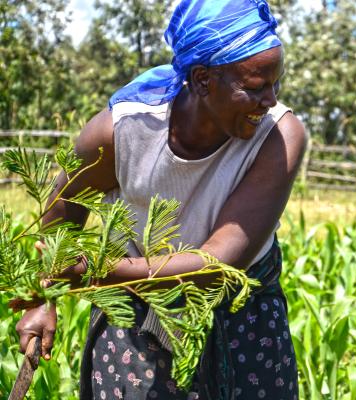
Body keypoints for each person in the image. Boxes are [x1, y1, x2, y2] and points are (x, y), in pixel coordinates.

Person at [14, 0, 306, 398]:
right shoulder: (124, 131)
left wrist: (96, 270)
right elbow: (62, 213)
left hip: (241, 317)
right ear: (203, 79)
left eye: (276, 84)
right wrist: (41, 298)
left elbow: (217, 263)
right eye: (255, 88)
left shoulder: (280, 136)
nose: (270, 100)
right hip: (133, 318)